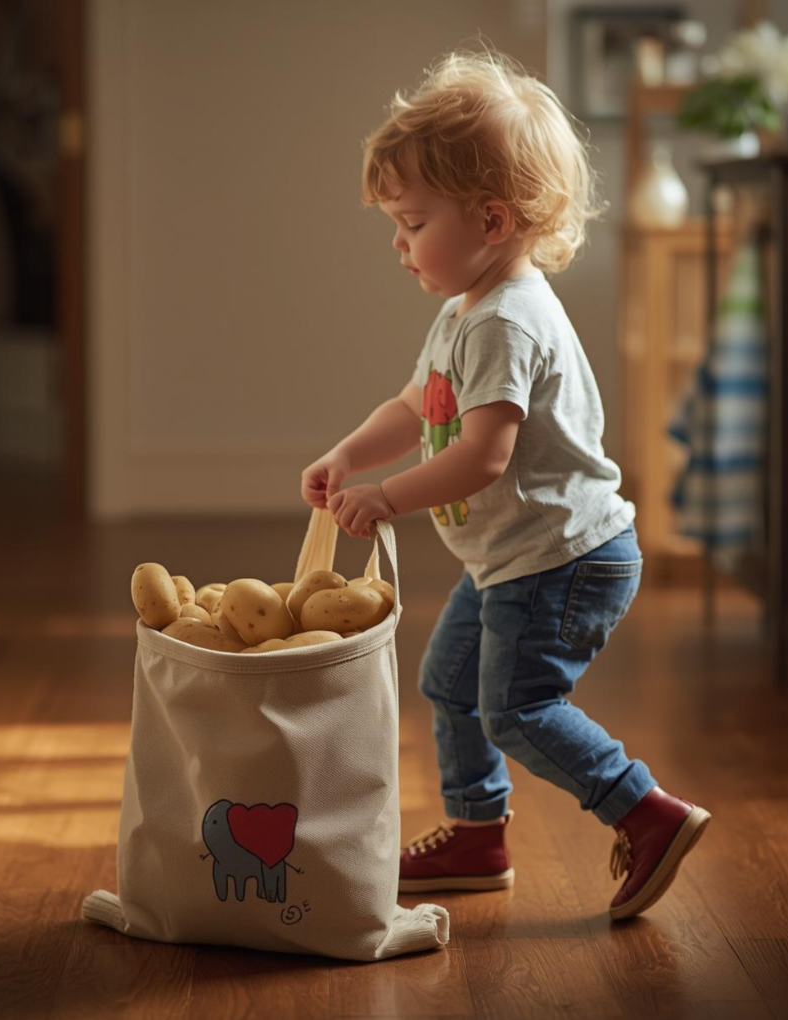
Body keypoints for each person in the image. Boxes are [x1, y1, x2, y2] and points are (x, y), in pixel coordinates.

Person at [299, 46, 710, 921]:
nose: (399, 244)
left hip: (563, 559)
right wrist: (349, 457)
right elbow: (415, 407)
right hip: (515, 558)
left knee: (516, 708)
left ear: (490, 222)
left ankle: (646, 813)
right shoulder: (463, 313)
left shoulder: (508, 323)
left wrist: (386, 497)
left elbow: (481, 456)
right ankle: (479, 836)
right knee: (451, 683)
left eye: (412, 222)